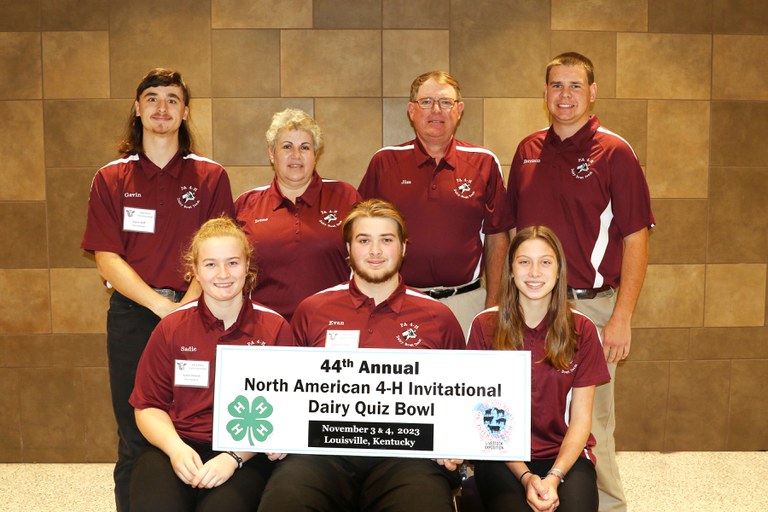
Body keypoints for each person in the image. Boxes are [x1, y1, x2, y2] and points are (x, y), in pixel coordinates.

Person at [81, 68, 235, 512]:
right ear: (137, 109)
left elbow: (220, 248)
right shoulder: (111, 177)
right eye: (151, 98)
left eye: (172, 99)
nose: (161, 107)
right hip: (133, 315)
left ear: (185, 111)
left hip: (201, 313)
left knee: (200, 422)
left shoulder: (211, 176)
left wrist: (183, 307)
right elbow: (107, 257)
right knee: (133, 433)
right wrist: (158, 306)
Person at [506, 53, 654, 512]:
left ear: (592, 92)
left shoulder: (614, 152)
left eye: (575, 86)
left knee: (594, 422)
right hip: (528, 306)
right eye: (556, 85)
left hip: (589, 307)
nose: (564, 95)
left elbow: (636, 237)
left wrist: (621, 317)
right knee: (521, 411)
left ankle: (607, 505)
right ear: (544, 92)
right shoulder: (527, 149)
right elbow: (513, 235)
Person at [257, 199, 465, 512]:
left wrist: (455, 441)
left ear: (404, 248)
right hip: (322, 454)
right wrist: (277, 431)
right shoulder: (312, 311)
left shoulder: (439, 317)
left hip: (407, 457)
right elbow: (283, 390)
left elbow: (460, 395)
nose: (376, 251)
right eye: (364, 241)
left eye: (387, 240)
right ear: (348, 250)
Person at [129, 217, 293, 511]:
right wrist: (176, 449)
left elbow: (285, 411)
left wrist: (234, 457)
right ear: (195, 271)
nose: (222, 274)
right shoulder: (171, 328)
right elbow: (147, 407)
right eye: (210, 264)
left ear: (247, 267)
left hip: (245, 454)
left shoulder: (275, 328)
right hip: (175, 444)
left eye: (232, 263)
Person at [468, 226, 610, 512]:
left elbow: (582, 421)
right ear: (510, 270)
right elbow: (483, 417)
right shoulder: (484, 326)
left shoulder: (581, 329)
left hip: (565, 457)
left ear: (559, 271)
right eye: (524, 262)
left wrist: (554, 477)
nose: (534, 272)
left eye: (545, 262)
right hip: (503, 456)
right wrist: (526, 477)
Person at [358, 71, 512, 333]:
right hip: (397, 302)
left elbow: (497, 237)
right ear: (411, 110)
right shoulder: (384, 163)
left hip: (466, 304)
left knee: (465, 376)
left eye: (445, 102)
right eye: (426, 102)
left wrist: (492, 307)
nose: (436, 110)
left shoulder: (483, 162)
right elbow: (360, 235)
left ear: (459, 110)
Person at [235, 108, 361, 321]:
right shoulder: (246, 204)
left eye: (304, 147)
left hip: (333, 326)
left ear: (315, 154)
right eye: (286, 147)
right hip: (265, 330)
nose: (296, 156)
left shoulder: (346, 197)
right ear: (271, 154)